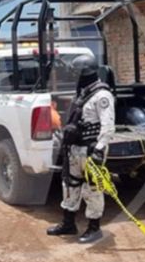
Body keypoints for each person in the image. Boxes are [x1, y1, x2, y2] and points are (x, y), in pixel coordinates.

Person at [48, 55, 115, 244]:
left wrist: (99, 151)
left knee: (92, 189)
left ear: (85, 74)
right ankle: (68, 223)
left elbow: (108, 127)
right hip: (75, 149)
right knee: (70, 185)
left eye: (76, 73)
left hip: (91, 150)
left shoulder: (102, 96)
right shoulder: (82, 93)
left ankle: (94, 228)